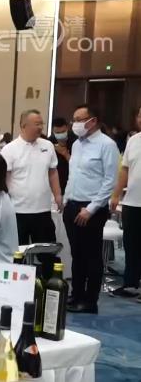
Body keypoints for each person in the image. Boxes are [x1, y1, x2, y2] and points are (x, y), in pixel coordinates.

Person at [63, 104, 119, 313]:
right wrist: (66, 199)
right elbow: (74, 175)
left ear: (92, 121)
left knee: (91, 256)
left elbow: (109, 181)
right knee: (76, 254)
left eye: (79, 119)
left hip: (92, 209)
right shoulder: (77, 144)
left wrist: (92, 208)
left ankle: (89, 300)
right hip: (73, 205)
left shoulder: (107, 145)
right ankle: (76, 294)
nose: (74, 124)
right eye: (74, 119)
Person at [1, 110, 62, 248]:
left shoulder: (48, 145)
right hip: (17, 211)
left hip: (43, 210)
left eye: (41, 124)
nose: (40, 127)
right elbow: (4, 179)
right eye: (36, 124)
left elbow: (53, 172)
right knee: (17, 253)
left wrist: (58, 195)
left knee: (47, 253)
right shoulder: (9, 149)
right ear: (23, 126)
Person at [111, 109, 141, 298]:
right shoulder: (133, 140)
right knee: (131, 244)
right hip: (132, 201)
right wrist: (116, 195)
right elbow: (125, 170)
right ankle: (131, 284)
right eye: (139, 115)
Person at [48, 117, 76, 193]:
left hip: (72, 181)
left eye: (63, 131)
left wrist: (65, 154)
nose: (60, 135)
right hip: (56, 182)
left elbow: (78, 166)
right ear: (53, 131)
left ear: (67, 128)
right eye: (57, 133)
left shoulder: (76, 141)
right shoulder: (49, 142)